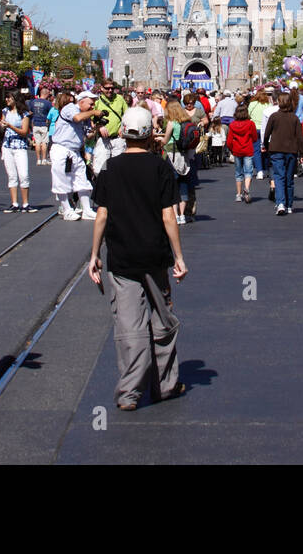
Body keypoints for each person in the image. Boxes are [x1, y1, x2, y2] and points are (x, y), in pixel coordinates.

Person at [89, 107, 188, 410]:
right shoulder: (160, 167)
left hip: (121, 257)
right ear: (149, 134)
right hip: (154, 256)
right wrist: (178, 257)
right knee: (162, 321)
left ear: (123, 133)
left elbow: (101, 215)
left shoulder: (109, 168)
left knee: (129, 325)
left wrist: (94, 255)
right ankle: (164, 386)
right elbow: (168, 216)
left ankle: (130, 392)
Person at [50, 91, 99, 221]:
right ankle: (67, 210)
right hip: (62, 148)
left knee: (82, 180)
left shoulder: (86, 116)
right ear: (81, 101)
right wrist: (93, 113)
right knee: (61, 180)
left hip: (75, 151)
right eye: (90, 104)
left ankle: (87, 209)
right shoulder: (70, 108)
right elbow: (76, 118)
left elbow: (88, 135)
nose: (92, 107)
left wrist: (97, 126)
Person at [263, 92, 303, 216]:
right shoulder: (294, 118)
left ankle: (280, 202)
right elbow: (300, 137)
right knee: (289, 178)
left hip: (276, 150)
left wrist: (266, 146)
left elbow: (266, 134)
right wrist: (302, 153)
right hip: (291, 150)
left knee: (279, 176)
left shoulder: (274, 117)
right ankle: (289, 204)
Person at [162, 100, 198, 224]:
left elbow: (165, 140)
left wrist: (158, 138)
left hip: (172, 155)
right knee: (183, 185)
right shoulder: (187, 122)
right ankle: (183, 215)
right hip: (184, 156)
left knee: (172, 185)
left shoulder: (171, 123)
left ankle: (176, 214)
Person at [0, 92, 33, 213]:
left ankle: (26, 203)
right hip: (7, 146)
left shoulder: (24, 114)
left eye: (9, 97)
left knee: (23, 175)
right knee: (12, 175)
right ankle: (14, 203)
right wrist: (1, 126)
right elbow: (1, 128)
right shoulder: (5, 111)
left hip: (20, 146)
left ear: (16, 98)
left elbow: (24, 132)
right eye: (6, 97)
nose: (7, 99)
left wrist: (10, 126)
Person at [92, 80, 128, 175]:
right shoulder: (97, 102)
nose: (110, 90)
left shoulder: (119, 99)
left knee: (119, 168)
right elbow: (91, 119)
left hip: (118, 138)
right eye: (107, 88)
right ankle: (102, 187)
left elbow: (127, 115)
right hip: (104, 140)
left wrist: (122, 127)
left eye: (112, 88)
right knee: (101, 169)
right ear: (102, 88)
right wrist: (99, 126)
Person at [227, 103, 259, 203]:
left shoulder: (232, 125)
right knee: (248, 172)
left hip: (237, 150)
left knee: (238, 173)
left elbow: (229, 140)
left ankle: (238, 194)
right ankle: (247, 188)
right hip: (248, 149)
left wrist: (231, 149)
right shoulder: (250, 124)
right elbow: (254, 137)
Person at [28, 86, 54, 166]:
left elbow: (30, 111)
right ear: (46, 94)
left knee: (38, 142)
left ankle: (38, 159)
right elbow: (51, 113)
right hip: (44, 124)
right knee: (44, 143)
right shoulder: (48, 103)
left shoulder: (33, 102)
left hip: (35, 124)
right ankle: (44, 159)